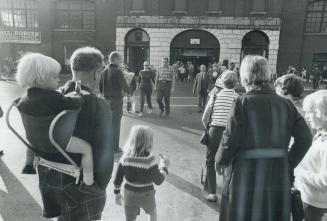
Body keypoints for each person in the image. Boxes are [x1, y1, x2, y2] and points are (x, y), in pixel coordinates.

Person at [216, 55, 313, 221]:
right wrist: (288, 161)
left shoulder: (241, 102)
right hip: (277, 172)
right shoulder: (287, 105)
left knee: (241, 214)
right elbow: (305, 138)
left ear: (245, 76)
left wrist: (219, 161)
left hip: (244, 172)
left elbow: (229, 140)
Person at [22, 47, 113, 221]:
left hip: (49, 176)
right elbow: (104, 150)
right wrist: (99, 185)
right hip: (79, 182)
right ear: (97, 72)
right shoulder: (97, 104)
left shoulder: (56, 93)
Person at [16, 53, 102, 194]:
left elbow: (43, 102)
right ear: (41, 79)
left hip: (35, 141)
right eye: (55, 77)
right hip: (55, 142)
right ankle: (89, 182)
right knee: (87, 149)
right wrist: (78, 95)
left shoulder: (25, 97)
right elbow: (73, 103)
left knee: (31, 137)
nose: (58, 80)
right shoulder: (53, 98)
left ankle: (28, 165)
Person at [113, 125, 170, 221]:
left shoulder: (125, 158)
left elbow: (117, 179)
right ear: (148, 142)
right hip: (147, 194)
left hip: (129, 194)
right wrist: (164, 166)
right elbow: (159, 180)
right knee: (152, 214)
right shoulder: (149, 160)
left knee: (130, 218)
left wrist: (117, 194)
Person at [201, 70, 239, 202]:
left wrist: (209, 128)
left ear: (222, 81)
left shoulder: (215, 96)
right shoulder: (238, 98)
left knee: (210, 161)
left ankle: (212, 193)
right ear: (236, 83)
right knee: (229, 163)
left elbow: (205, 117)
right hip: (232, 133)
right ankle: (226, 193)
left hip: (215, 131)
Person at [294, 90, 327, 221]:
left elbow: (325, 181)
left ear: (323, 113)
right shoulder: (320, 136)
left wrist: (299, 172)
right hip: (310, 199)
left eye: (310, 112)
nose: (306, 116)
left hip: (317, 206)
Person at [100, 51, 133, 152]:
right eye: (120, 59)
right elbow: (125, 87)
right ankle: (115, 147)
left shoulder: (103, 72)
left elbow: (100, 88)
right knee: (116, 125)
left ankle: (107, 145)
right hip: (116, 101)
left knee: (107, 124)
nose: (121, 60)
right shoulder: (118, 72)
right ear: (115, 59)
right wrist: (131, 90)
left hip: (106, 100)